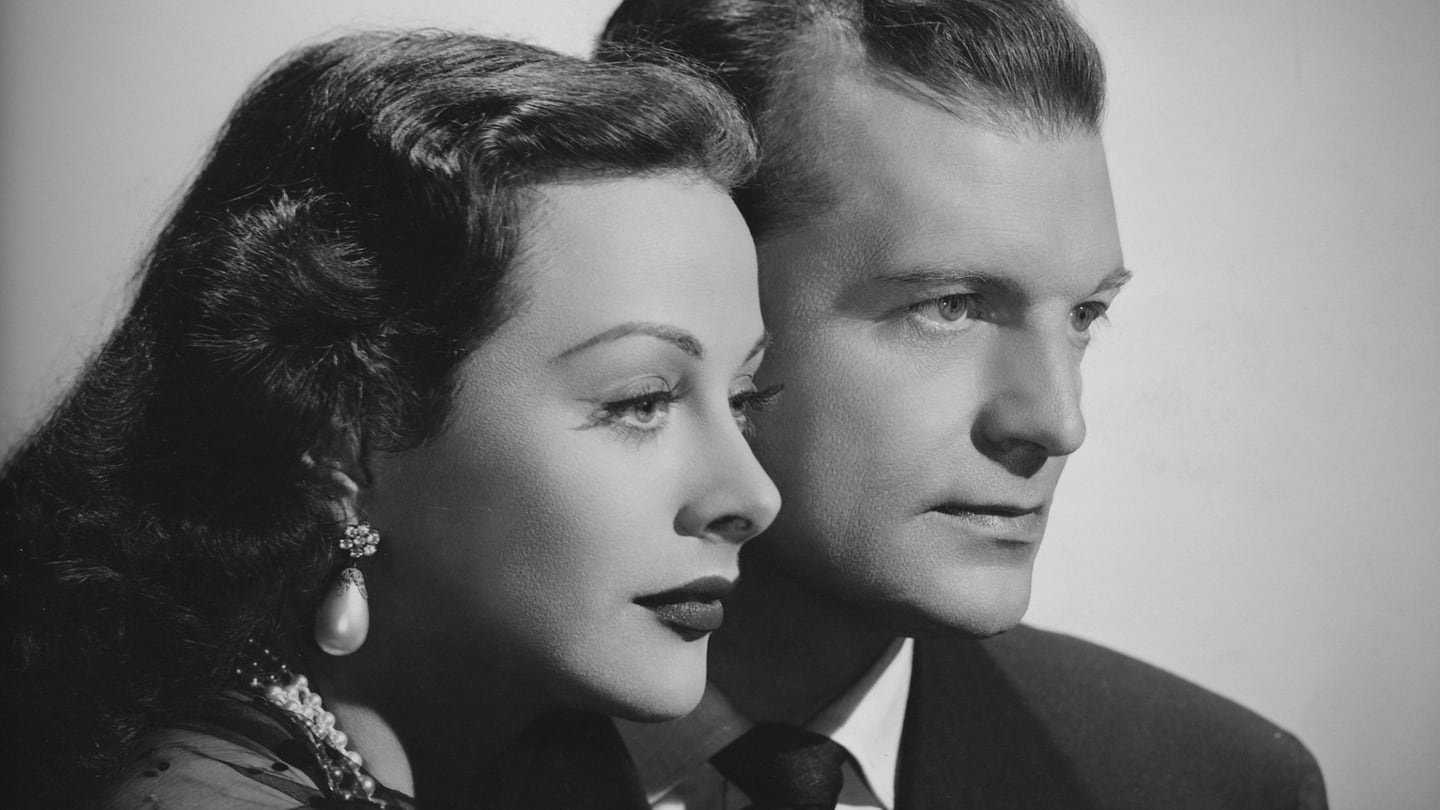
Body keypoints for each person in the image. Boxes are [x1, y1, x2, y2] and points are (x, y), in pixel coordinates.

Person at [498, 1, 1332, 808]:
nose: (1057, 422)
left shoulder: (1212, 786)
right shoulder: (396, 761)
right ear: (692, 277)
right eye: (952, 305)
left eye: (1085, 315)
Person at [0, 30, 782, 809]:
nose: (752, 496)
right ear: (343, 445)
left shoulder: (556, 766)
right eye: (640, 402)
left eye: (742, 399)